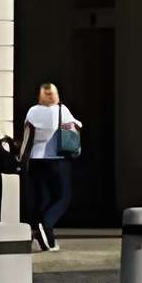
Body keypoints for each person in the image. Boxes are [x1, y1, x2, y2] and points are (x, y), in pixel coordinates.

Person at [15, 81, 85, 250]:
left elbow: (27, 138)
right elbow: (75, 128)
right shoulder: (62, 109)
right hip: (57, 158)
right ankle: (45, 225)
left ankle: (47, 239)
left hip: (36, 160)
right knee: (63, 196)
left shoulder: (32, 111)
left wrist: (22, 162)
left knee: (43, 199)